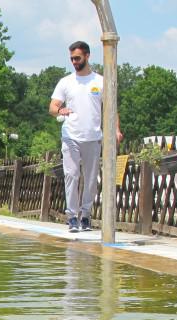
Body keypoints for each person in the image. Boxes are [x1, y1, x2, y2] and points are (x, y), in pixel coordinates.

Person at [49, 41, 122, 233]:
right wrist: (59, 110)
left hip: (93, 136)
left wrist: (115, 130)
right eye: (72, 58)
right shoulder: (66, 82)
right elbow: (52, 107)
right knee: (71, 175)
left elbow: (111, 108)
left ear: (87, 56)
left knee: (90, 179)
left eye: (77, 58)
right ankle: (72, 216)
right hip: (71, 136)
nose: (74, 62)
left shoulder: (100, 81)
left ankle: (86, 215)